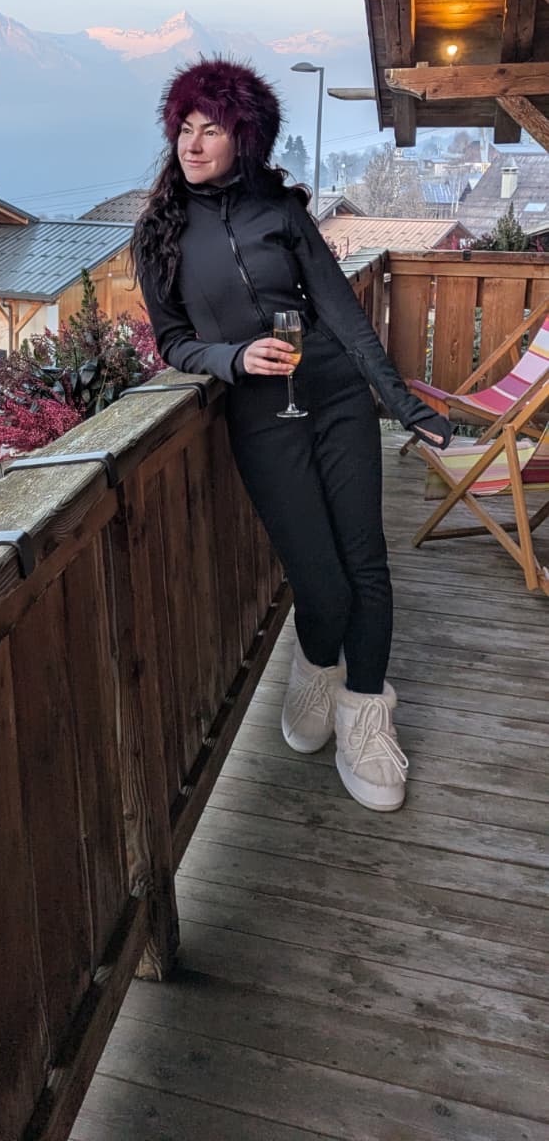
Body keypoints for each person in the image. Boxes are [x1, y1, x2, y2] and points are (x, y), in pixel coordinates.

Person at [133, 56, 452, 813]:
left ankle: (366, 716)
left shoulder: (281, 212)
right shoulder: (159, 236)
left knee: (367, 570)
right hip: (258, 415)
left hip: (337, 395)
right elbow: (174, 343)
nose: (194, 142)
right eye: (186, 127)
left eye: (213, 128)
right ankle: (315, 671)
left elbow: (341, 313)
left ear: (245, 139)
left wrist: (402, 404)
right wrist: (233, 357)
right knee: (320, 581)